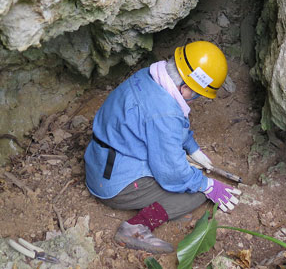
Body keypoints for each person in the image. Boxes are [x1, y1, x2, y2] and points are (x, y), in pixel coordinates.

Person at [84, 41, 242, 253]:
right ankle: (136, 227)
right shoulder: (165, 113)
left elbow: (171, 121)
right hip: (115, 186)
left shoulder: (149, 77)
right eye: (198, 94)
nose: (196, 99)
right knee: (195, 192)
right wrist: (207, 185)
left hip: (98, 161)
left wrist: (191, 147)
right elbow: (172, 173)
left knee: (191, 176)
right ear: (185, 89)